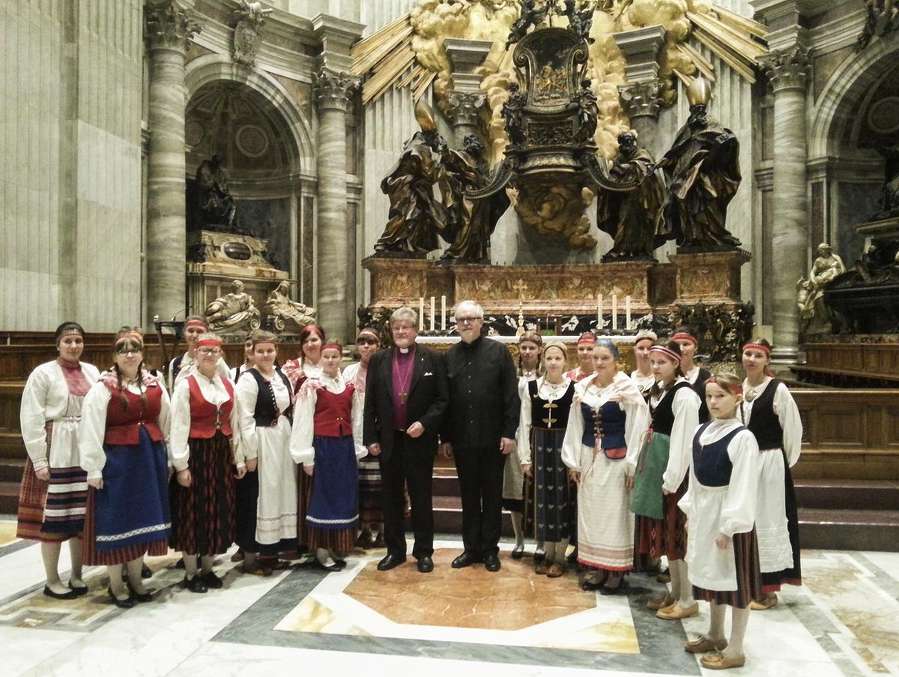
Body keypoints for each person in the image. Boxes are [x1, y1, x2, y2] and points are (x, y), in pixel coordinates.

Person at [79, 332, 171, 608]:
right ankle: (116, 584)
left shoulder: (155, 384)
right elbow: (91, 428)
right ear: (114, 356)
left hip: (148, 460)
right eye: (123, 350)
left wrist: (166, 458)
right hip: (118, 462)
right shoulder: (103, 388)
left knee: (142, 520)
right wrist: (93, 468)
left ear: (143, 354)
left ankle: (136, 579)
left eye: (134, 349)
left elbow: (166, 420)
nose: (129, 354)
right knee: (118, 520)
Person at [680, 373, 762, 671]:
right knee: (711, 577)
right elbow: (694, 479)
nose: (713, 402)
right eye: (710, 396)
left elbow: (743, 485)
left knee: (736, 582)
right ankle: (715, 633)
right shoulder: (701, 431)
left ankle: (736, 648)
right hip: (705, 513)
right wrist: (691, 512)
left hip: (731, 519)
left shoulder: (743, 438)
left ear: (737, 397)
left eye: (721, 396)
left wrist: (729, 527)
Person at [17, 322, 100, 599]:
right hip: (56, 450)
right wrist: (39, 459)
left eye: (78, 340)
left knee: (81, 518)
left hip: (84, 449)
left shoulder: (92, 371)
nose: (74, 346)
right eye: (68, 341)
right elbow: (31, 417)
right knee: (53, 519)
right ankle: (52, 579)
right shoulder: (43, 374)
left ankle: (77, 575)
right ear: (58, 344)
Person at [364, 308, 448, 573]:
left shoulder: (433, 359)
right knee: (391, 498)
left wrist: (424, 423)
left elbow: (442, 400)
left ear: (416, 330)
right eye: (397, 327)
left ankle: (423, 551)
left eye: (407, 327)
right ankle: (395, 551)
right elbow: (370, 403)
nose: (401, 332)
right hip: (389, 439)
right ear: (391, 330)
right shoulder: (378, 360)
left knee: (421, 497)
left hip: (419, 440)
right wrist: (370, 437)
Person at [562, 340, 650, 592]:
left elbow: (638, 426)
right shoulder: (583, 387)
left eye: (604, 358)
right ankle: (598, 568)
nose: (598, 362)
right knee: (591, 513)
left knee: (615, 514)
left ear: (616, 361)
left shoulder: (626, 389)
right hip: (590, 457)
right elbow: (575, 425)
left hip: (617, 459)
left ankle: (616, 571)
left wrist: (632, 464)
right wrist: (573, 461)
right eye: (595, 357)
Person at [440, 300, 519, 572]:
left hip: (493, 438)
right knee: (469, 496)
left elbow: (511, 395)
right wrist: (446, 437)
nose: (466, 323)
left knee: (492, 496)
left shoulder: (499, 352)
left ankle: (490, 550)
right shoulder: (449, 356)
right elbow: (445, 401)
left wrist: (509, 433)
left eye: (471, 318)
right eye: (461, 319)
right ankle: (471, 548)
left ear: (481, 321)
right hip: (462, 440)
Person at [631, 341, 701, 619]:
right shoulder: (658, 392)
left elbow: (684, 440)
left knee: (677, 538)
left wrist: (673, 478)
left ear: (675, 363)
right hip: (657, 467)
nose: (656, 367)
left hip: (676, 474)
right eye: (653, 362)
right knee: (665, 538)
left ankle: (688, 598)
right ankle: (674, 591)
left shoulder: (684, 396)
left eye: (662, 362)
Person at [168, 333, 241, 593]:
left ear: (221, 354)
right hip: (196, 453)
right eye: (204, 350)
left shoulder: (227, 384)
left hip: (220, 454)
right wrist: (181, 465)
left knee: (216, 510)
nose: (209, 355)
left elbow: (235, 424)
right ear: (196, 354)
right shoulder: (186, 385)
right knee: (193, 511)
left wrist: (238, 457)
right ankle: (190, 573)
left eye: (214, 351)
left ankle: (208, 568)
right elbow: (178, 426)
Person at [739, 339, 803, 610]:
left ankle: (768, 588)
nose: (751, 359)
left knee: (767, 520)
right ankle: (749, 582)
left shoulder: (778, 390)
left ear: (767, 361)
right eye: (747, 354)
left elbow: (793, 431)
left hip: (770, 463)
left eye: (757, 355)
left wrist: (779, 463)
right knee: (747, 519)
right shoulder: (738, 388)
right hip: (745, 464)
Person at [291, 342, 365, 570]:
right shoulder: (312, 386)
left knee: (341, 497)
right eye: (327, 356)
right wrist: (306, 456)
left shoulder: (350, 386)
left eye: (335, 356)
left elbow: (356, 419)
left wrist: (356, 447)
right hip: (322, 448)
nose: (331, 360)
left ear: (340, 358)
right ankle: (321, 551)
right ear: (321, 359)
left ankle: (334, 547)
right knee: (323, 498)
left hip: (343, 449)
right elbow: (303, 421)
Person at [234, 331, 297, 575]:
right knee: (258, 496)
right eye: (260, 351)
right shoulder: (248, 379)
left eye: (270, 350)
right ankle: (251, 556)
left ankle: (272, 552)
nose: (265, 354)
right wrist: (250, 453)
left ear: (276, 351)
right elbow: (245, 419)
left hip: (282, 439)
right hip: (261, 440)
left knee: (280, 492)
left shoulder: (282, 376)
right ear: (252, 353)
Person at [519, 343, 575, 577]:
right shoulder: (532, 388)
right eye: (549, 358)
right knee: (542, 501)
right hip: (539, 446)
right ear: (543, 360)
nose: (553, 362)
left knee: (561, 501)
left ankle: (560, 557)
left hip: (563, 448)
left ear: (565, 361)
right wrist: (525, 458)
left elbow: (577, 426)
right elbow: (524, 423)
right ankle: (547, 553)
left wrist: (574, 460)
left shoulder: (574, 389)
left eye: (557, 358)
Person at [343, 328, 384, 549]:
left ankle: (384, 531)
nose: (366, 346)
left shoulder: (386, 367)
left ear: (378, 345)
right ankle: (365, 530)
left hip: (380, 434)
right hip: (355, 433)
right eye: (362, 342)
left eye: (371, 342)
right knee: (362, 486)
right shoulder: (348, 371)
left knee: (383, 486)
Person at [507, 331, 542, 559]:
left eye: (532, 347)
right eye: (524, 347)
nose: (527, 351)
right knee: (515, 491)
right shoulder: (511, 374)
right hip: (516, 435)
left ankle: (540, 541)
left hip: (538, 436)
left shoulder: (547, 374)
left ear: (540, 350)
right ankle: (519, 540)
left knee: (537, 491)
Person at [168, 315, 230, 390]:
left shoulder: (217, 362)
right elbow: (173, 392)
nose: (194, 335)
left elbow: (228, 389)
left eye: (199, 331)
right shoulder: (175, 363)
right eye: (190, 331)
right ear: (184, 333)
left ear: (207, 333)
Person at [672, 329, 711, 423]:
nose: (681, 349)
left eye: (686, 344)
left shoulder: (706, 377)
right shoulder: (667, 376)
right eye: (677, 345)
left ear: (695, 347)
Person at [630, 329, 658, 400]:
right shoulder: (627, 379)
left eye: (649, 348)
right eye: (641, 348)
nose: (645, 353)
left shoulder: (662, 379)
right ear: (635, 350)